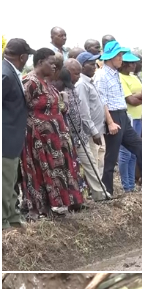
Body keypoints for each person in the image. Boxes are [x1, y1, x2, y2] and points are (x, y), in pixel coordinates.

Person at [19, 48, 85, 218]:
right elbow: (20, 109)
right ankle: (38, 208)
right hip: (38, 138)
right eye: (51, 63)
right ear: (40, 62)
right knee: (40, 170)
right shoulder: (29, 82)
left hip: (56, 138)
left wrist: (64, 102)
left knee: (56, 171)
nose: (55, 67)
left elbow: (57, 107)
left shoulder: (47, 83)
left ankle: (55, 205)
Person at [59, 60, 106, 199]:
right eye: (75, 73)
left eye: (79, 73)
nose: (78, 76)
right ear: (66, 72)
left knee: (91, 164)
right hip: (67, 138)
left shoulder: (73, 88)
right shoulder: (60, 89)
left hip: (80, 136)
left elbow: (80, 114)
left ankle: (101, 194)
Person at [2, 39, 34, 229]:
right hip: (5, 138)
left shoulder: (10, 72)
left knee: (11, 180)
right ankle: (3, 223)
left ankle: (13, 218)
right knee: (4, 184)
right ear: (22, 57)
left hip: (12, 137)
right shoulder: (5, 74)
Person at [73, 52, 111, 199]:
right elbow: (84, 112)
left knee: (98, 161)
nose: (94, 66)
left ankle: (99, 192)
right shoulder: (82, 84)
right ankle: (97, 193)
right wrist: (94, 132)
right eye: (90, 63)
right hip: (90, 132)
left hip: (97, 129)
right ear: (82, 66)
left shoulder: (89, 81)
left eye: (95, 63)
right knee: (93, 163)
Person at [117, 52, 142, 192]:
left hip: (138, 116)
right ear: (125, 64)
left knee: (134, 152)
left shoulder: (134, 77)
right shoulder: (120, 77)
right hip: (128, 117)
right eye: (131, 63)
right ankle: (126, 185)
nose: (135, 65)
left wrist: (137, 96)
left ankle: (131, 185)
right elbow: (130, 100)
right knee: (126, 153)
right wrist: (140, 96)